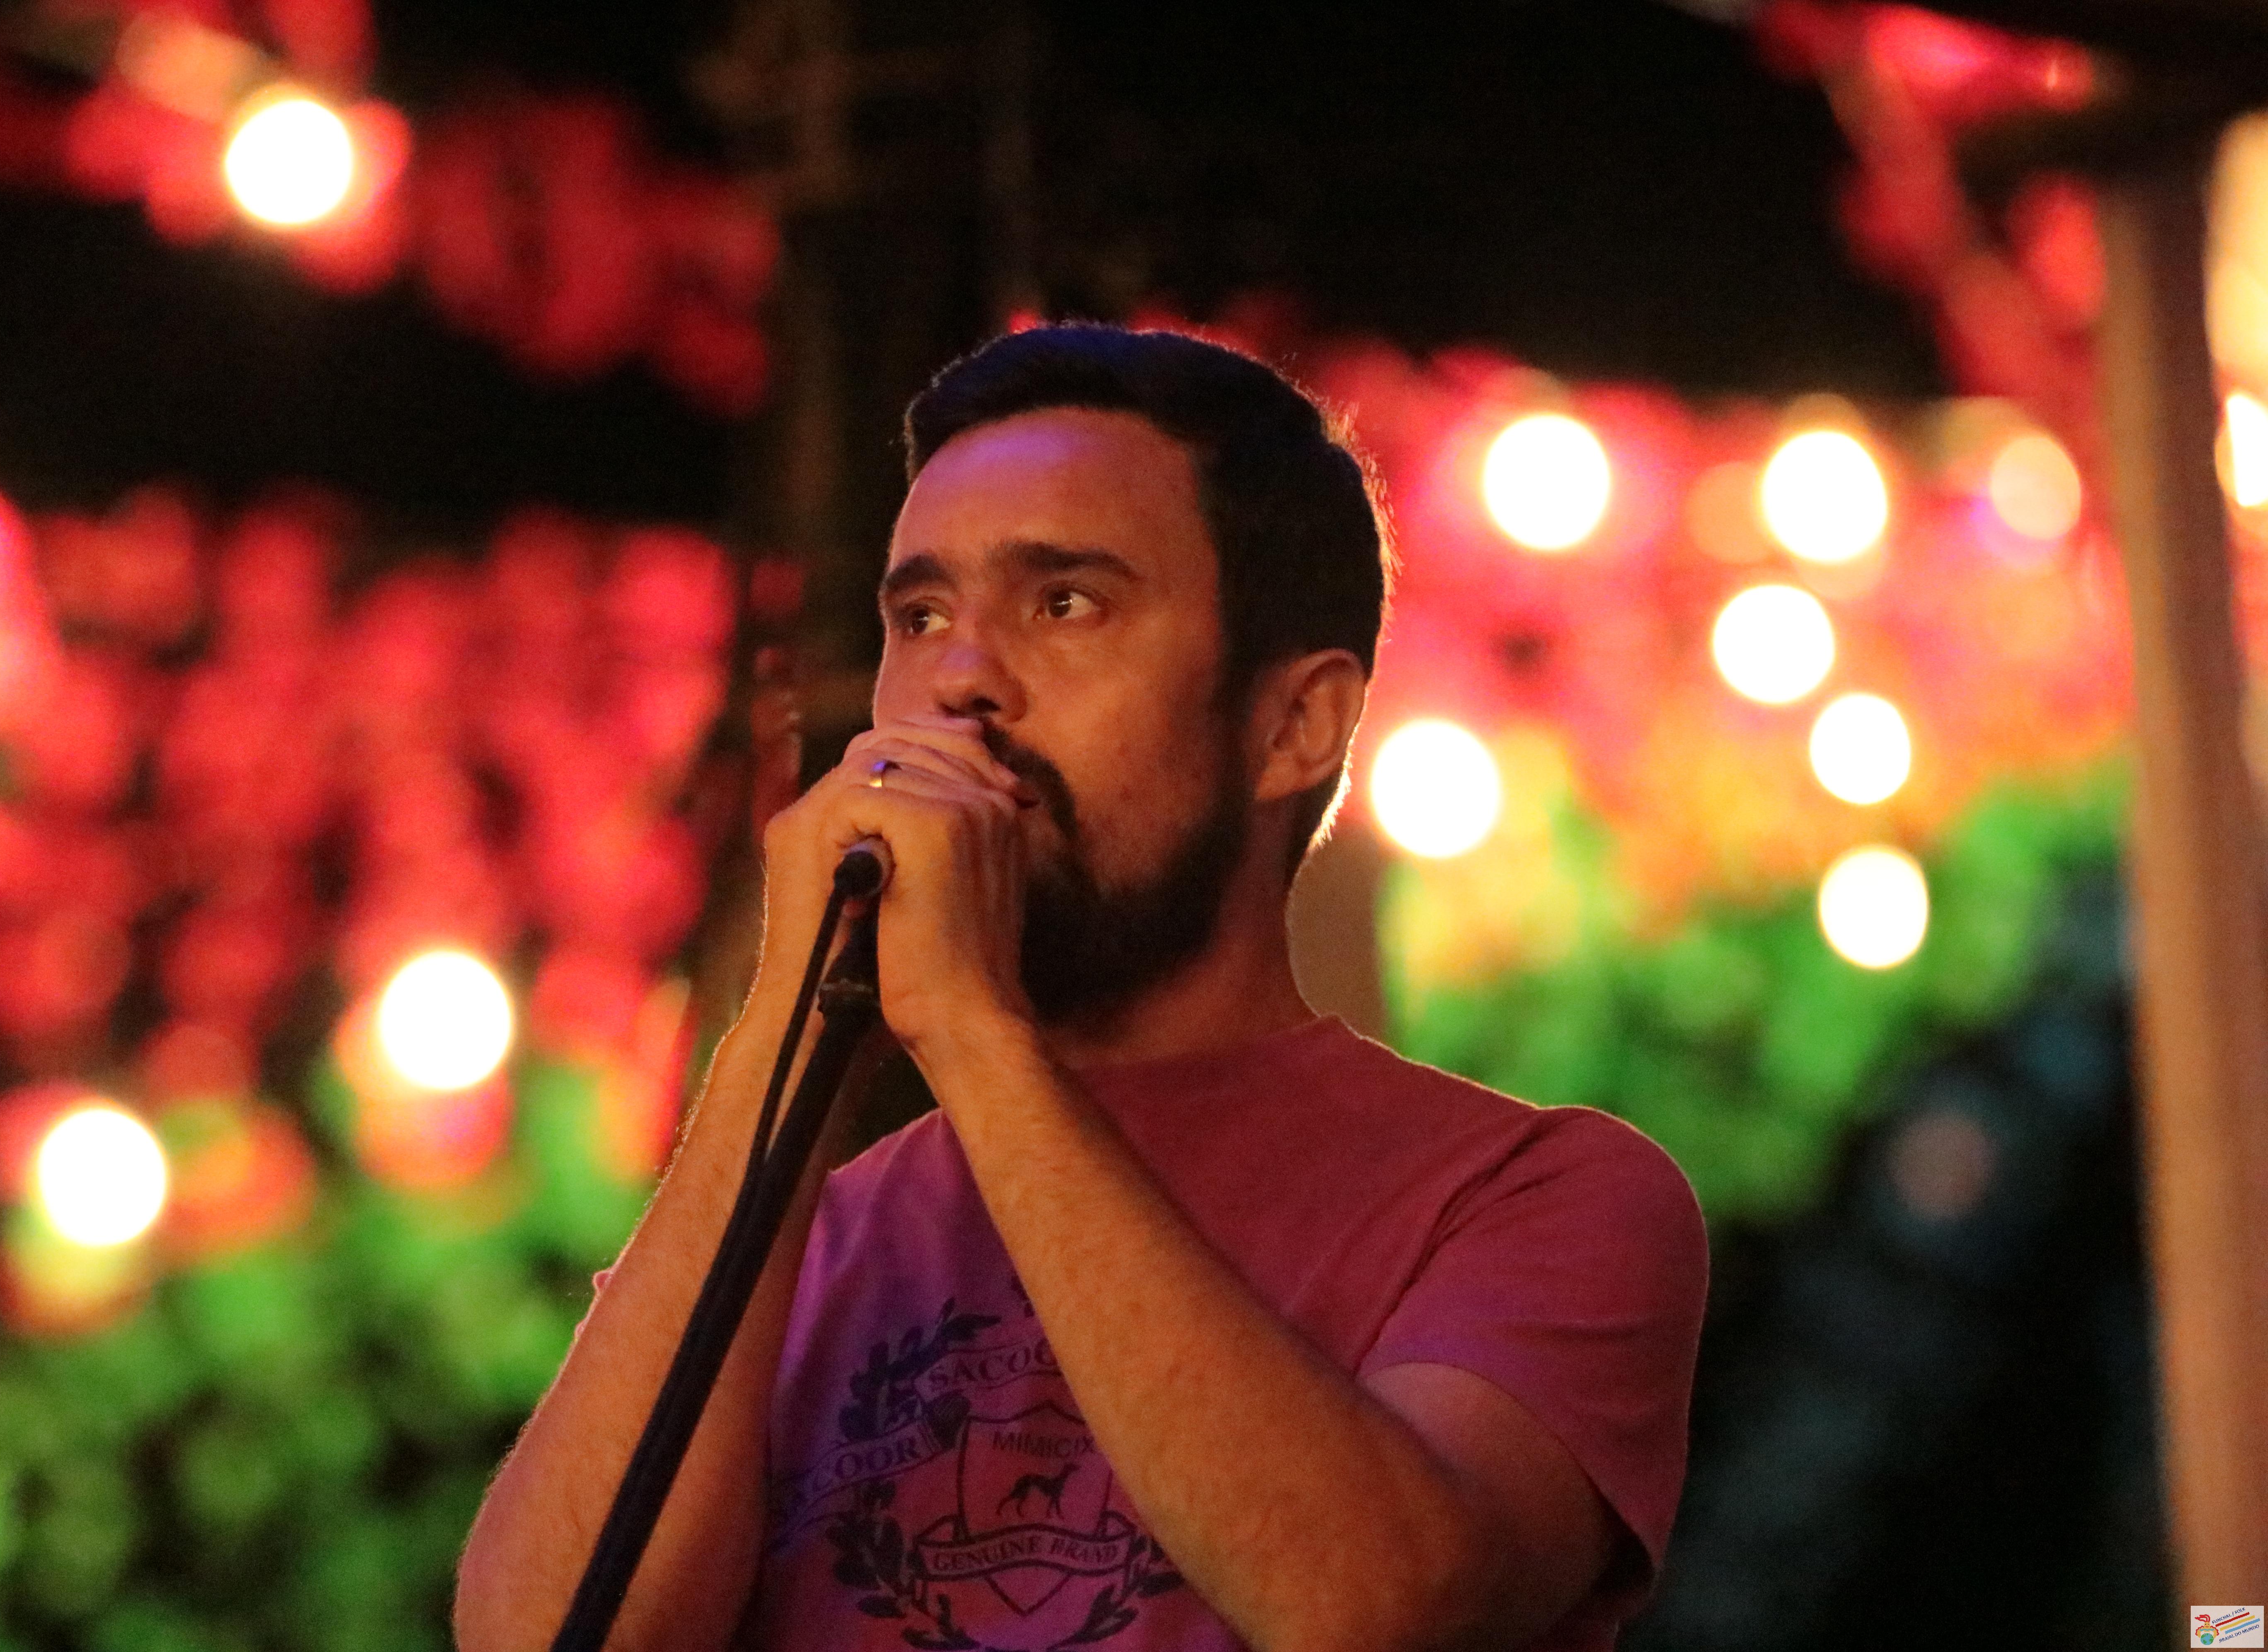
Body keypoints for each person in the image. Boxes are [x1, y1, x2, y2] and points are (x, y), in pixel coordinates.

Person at [454, 325, 1708, 1652]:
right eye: (920, 617)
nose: (959, 680)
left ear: (1294, 726)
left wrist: (974, 1034)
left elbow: (1375, 1608)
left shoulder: (1534, 1197)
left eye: (1064, 605)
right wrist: (786, 1021)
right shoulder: (807, 1237)